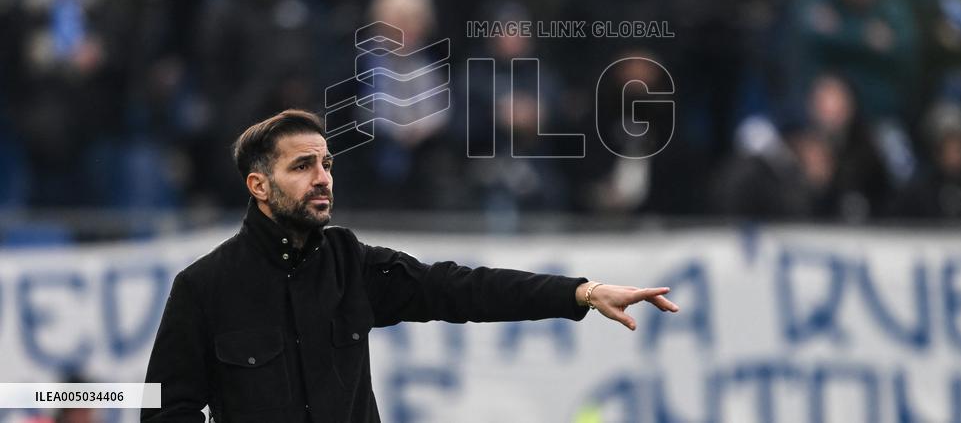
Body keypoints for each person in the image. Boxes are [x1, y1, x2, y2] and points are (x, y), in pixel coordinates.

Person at [141, 109, 679, 422]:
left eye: (326, 163)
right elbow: (165, 409)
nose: (323, 177)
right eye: (302, 166)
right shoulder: (204, 287)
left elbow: (462, 289)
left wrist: (581, 292)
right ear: (258, 185)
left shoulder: (350, 263)